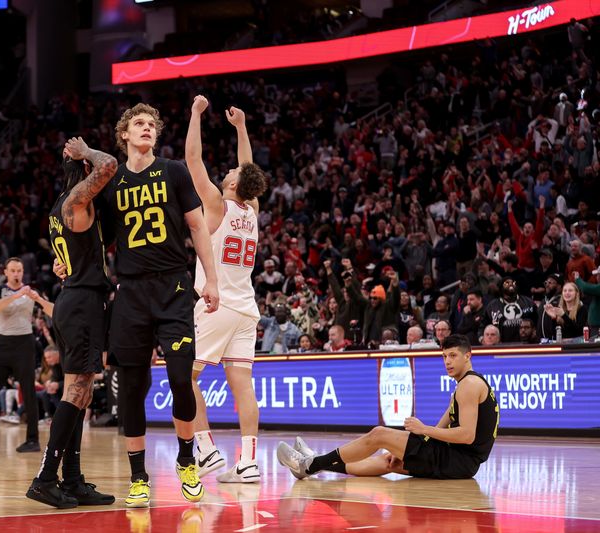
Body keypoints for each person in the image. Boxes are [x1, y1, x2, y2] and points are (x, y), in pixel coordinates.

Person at [102, 103, 220, 507]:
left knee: (180, 378)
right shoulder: (110, 179)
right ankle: (138, 477)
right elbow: (95, 238)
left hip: (173, 288)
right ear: (124, 135)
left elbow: (196, 225)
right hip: (131, 293)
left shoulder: (173, 171)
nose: (147, 128)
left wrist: (211, 279)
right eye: (139, 124)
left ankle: (187, 461)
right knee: (132, 389)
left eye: (152, 124)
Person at [26, 137, 118, 509]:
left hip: (72, 297)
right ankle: (45, 478)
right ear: (83, 175)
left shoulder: (58, 208)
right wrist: (87, 153)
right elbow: (109, 165)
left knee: (76, 395)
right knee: (78, 392)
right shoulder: (76, 200)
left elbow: (72, 252)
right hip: (81, 303)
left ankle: (73, 479)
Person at [277, 334, 498, 479]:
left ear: (468, 356)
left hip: (459, 461)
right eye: (444, 356)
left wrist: (423, 430)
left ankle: (310, 463)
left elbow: (467, 435)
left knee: (379, 434)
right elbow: (445, 422)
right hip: (459, 462)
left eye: (453, 356)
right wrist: (417, 441)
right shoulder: (466, 384)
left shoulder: (469, 385)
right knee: (387, 461)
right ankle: (314, 462)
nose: (447, 361)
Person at [185, 96, 268, 483]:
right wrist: (241, 128)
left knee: (184, 376)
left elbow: (193, 162)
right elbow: (249, 169)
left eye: (232, 170)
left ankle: (205, 450)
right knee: (243, 387)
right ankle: (249, 460)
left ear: (232, 183)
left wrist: (196, 116)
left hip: (215, 304)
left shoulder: (218, 205)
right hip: (246, 308)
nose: (229, 170)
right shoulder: (251, 209)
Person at [0, 258, 53, 454]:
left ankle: (32, 440)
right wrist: (17, 295)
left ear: (22, 272)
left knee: (29, 392)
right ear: (6, 273)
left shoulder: (30, 291)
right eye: (13, 270)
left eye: (19, 270)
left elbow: (53, 311)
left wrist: (38, 299)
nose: (16, 274)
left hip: (24, 344)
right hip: (2, 345)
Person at [485, 278, 536, 343]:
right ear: (501, 287)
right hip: (501, 345)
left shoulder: (528, 302)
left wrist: (536, 332)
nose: (511, 284)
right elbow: (484, 324)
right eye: (507, 283)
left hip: (527, 344)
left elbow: (537, 320)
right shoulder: (492, 306)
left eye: (513, 282)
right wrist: (481, 338)